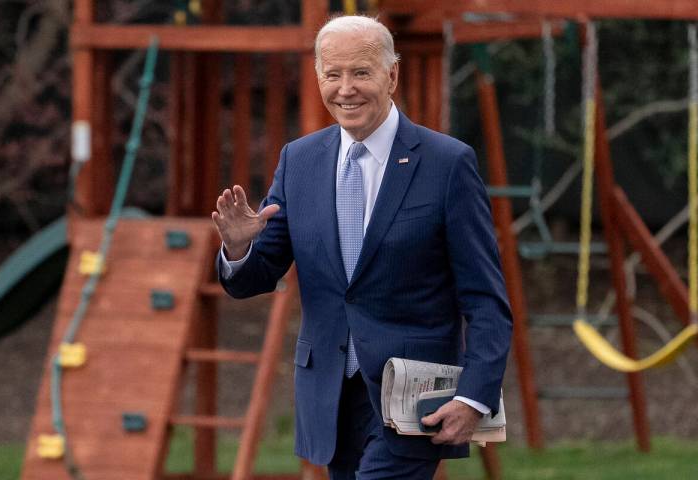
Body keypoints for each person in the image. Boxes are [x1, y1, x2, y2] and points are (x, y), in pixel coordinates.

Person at [213, 15, 512, 480]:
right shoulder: (299, 160)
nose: (345, 89)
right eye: (333, 75)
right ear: (317, 78)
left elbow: (487, 300)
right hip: (328, 395)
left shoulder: (447, 163)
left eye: (361, 73)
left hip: (414, 400)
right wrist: (237, 250)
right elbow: (256, 276)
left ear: (391, 75)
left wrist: (474, 397)